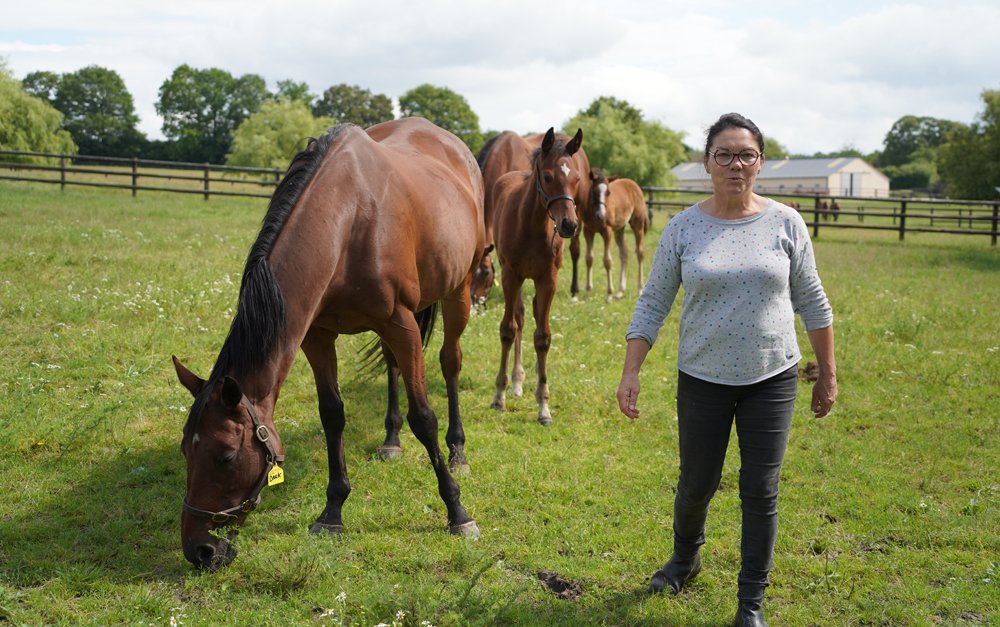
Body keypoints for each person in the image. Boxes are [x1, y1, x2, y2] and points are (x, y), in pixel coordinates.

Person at [615, 113, 837, 627]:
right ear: (707, 162)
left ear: (760, 162)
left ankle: (750, 603)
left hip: (772, 377)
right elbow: (652, 303)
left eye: (746, 155)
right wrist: (631, 371)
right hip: (702, 378)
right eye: (725, 154)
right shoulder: (683, 228)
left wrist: (826, 371)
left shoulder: (786, 223)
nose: (736, 164)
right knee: (697, 483)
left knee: (760, 489)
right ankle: (685, 558)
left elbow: (813, 300)